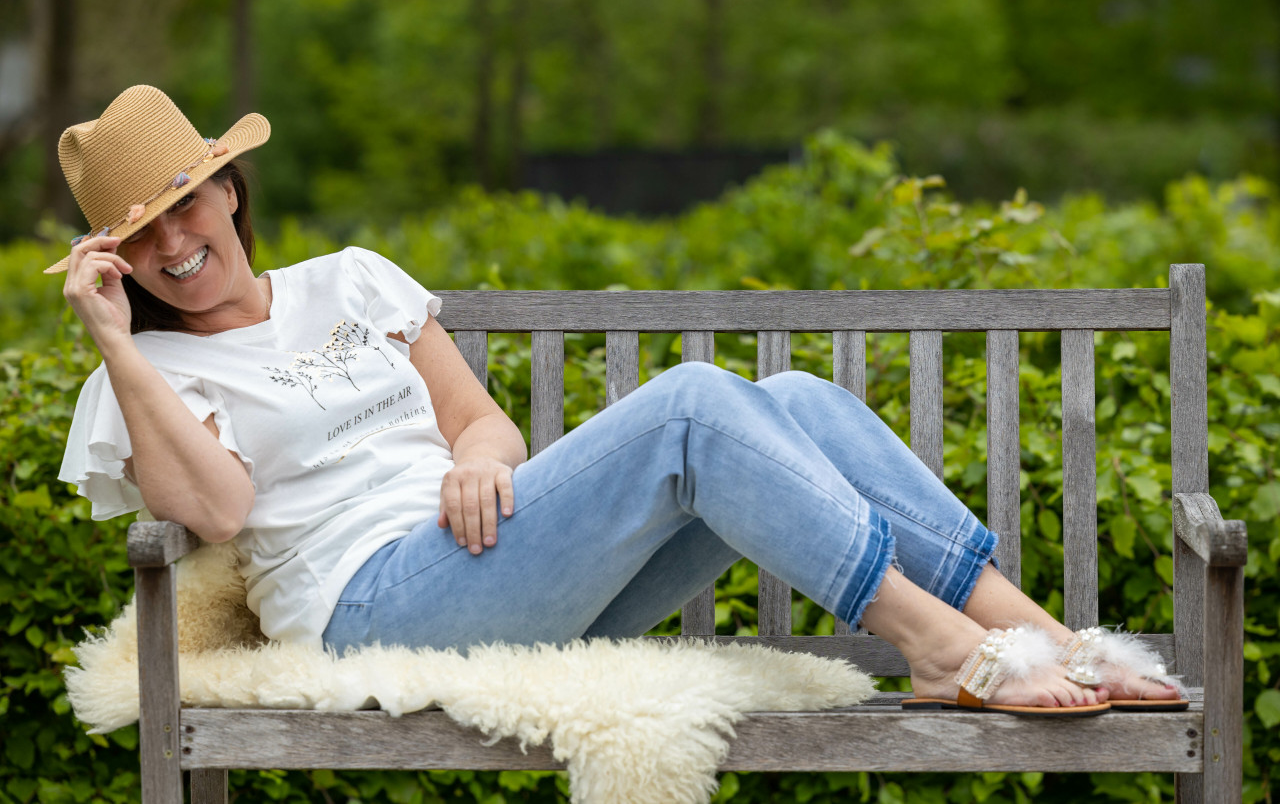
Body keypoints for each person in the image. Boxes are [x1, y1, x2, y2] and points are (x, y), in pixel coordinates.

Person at [51, 86, 1185, 716]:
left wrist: (479, 456)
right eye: (138, 236)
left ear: (228, 190)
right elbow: (213, 510)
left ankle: (1050, 641)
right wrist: (117, 343)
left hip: (491, 559)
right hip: (374, 611)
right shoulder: (146, 378)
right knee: (693, 402)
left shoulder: (349, 279)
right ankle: (941, 651)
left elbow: (479, 419)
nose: (172, 244)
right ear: (119, 262)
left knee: (792, 394)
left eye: (183, 206)